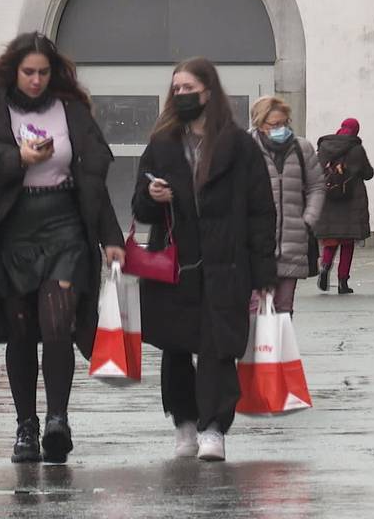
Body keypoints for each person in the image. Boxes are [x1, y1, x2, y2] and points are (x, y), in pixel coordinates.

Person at [0, 32, 125, 464]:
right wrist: (18, 159)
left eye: (43, 72)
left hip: (65, 227)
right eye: (29, 72)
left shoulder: (70, 110)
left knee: (58, 323)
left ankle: (58, 419)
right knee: (20, 329)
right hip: (11, 228)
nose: (36, 80)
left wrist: (111, 237)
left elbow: (93, 181)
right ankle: (26, 425)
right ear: (14, 71)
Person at [133, 57, 277, 462]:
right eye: (175, 89)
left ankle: (214, 427)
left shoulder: (238, 145)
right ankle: (185, 424)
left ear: (208, 92)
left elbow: (261, 210)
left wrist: (264, 270)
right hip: (175, 263)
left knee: (218, 347)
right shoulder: (161, 144)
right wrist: (152, 196)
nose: (181, 95)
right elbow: (140, 208)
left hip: (225, 263)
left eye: (188, 88)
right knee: (176, 347)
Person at [250, 96, 325, 312]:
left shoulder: (302, 148)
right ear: (260, 123)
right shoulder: (246, 148)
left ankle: (280, 347)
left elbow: (317, 187)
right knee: (256, 308)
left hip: (292, 242)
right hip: (256, 244)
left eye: (284, 123)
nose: (280, 128)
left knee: (284, 308)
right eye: (274, 124)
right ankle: (257, 347)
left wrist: (308, 221)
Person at [314, 118, 374, 294]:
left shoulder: (324, 147)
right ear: (356, 130)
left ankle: (325, 267)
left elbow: (316, 171)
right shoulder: (357, 149)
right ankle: (343, 282)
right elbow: (368, 173)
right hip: (352, 201)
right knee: (347, 243)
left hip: (329, 200)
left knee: (330, 240)